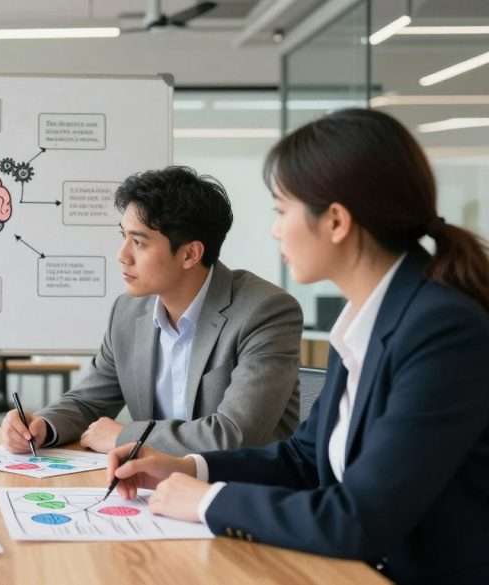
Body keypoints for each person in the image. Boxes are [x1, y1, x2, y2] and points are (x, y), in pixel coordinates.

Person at [107, 109, 489, 585]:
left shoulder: (442, 332)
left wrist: (206, 502)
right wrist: (188, 467)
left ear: (335, 222)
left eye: (281, 210)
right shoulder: (364, 322)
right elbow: (302, 460)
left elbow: (360, 518)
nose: (275, 229)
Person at [2, 166, 302, 455]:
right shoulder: (128, 312)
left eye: (138, 242)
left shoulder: (265, 311)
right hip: (152, 488)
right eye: (124, 237)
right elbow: (88, 402)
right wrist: (43, 424)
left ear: (189, 254)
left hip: (237, 492)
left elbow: (234, 435)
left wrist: (125, 437)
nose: (122, 256)